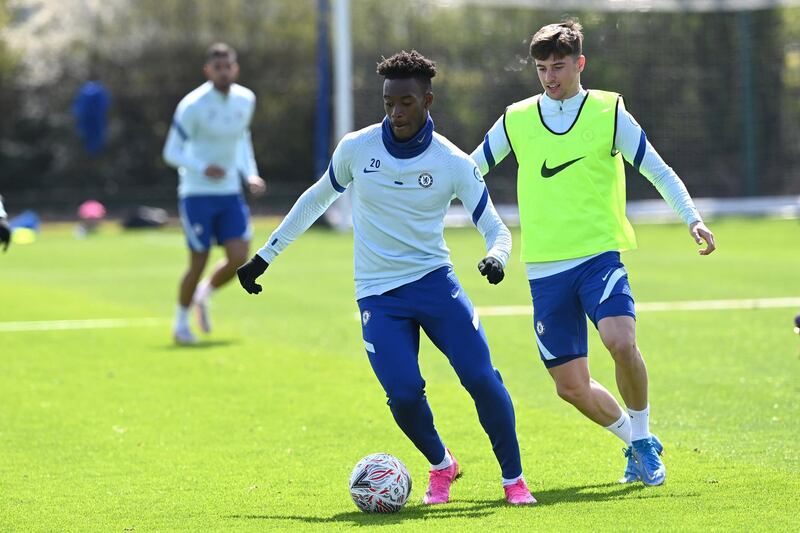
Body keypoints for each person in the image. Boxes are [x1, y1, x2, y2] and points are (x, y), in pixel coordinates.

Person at [237, 51, 536, 505]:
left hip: (436, 285)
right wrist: (265, 256)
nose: (395, 112)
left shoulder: (452, 161)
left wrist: (496, 257)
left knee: (481, 379)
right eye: (388, 102)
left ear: (427, 100)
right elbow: (314, 200)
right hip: (378, 295)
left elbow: (495, 227)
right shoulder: (357, 149)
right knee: (402, 394)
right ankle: (442, 466)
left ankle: (513, 480)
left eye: (406, 102)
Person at [470, 21, 716, 487]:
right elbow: (469, 169)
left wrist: (692, 217)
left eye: (558, 66)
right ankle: (632, 442)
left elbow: (658, 170)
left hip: (599, 258)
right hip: (544, 268)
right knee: (570, 387)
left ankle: (642, 438)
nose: (549, 77)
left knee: (621, 342)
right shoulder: (516, 118)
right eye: (542, 68)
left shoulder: (609, 111)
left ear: (579, 63)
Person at [163, 43, 266, 345]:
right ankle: (180, 324)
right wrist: (202, 167)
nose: (224, 72)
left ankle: (203, 295)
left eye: (228, 66)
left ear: (235, 69)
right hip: (196, 194)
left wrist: (250, 174)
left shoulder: (246, 99)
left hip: (230, 192)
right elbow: (171, 151)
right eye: (217, 67)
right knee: (199, 259)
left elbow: (241, 139)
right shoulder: (193, 105)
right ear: (208, 71)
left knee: (239, 257)